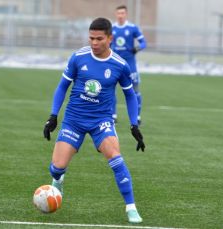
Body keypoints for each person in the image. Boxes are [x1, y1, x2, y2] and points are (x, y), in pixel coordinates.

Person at [43, 17, 145, 224]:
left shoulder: (119, 65)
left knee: (116, 158)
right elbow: (62, 86)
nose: (94, 43)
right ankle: (58, 178)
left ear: (110, 38)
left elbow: (130, 95)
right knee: (57, 166)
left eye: (99, 39)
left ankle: (131, 207)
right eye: (91, 38)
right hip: (74, 119)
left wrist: (134, 124)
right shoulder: (78, 58)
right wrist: (53, 115)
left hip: (101, 121)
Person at [111, 5, 147, 125]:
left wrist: (137, 48)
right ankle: (113, 115)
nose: (120, 15)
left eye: (122, 13)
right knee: (111, 90)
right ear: (116, 14)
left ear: (126, 14)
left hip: (130, 65)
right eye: (118, 13)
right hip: (114, 65)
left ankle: (137, 116)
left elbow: (143, 43)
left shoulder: (132, 28)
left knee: (135, 90)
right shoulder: (111, 28)